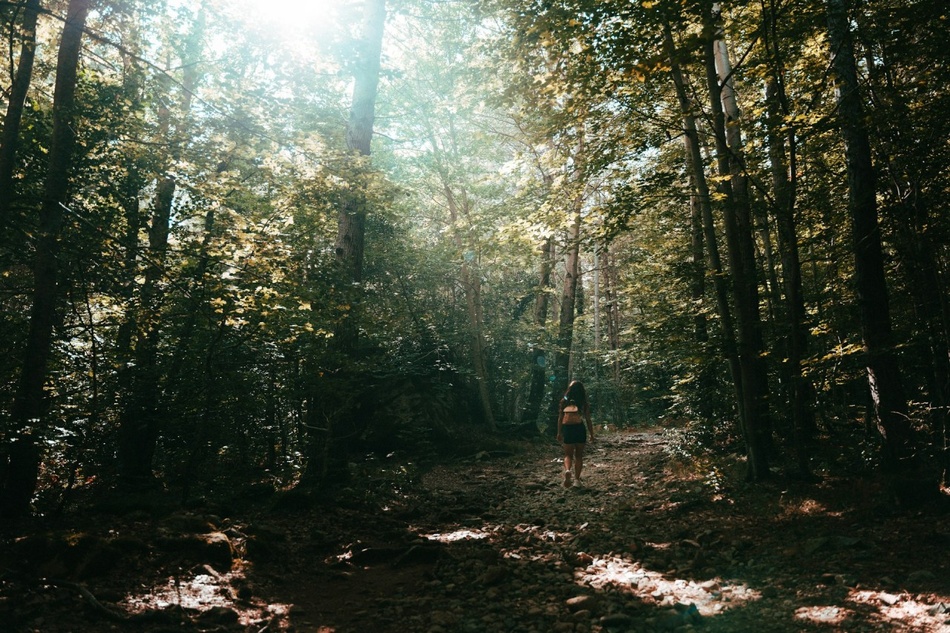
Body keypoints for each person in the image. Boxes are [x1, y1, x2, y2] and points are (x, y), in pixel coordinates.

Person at [556, 380, 594, 487]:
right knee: (579, 456)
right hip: (580, 429)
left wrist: (559, 432)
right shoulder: (583, 402)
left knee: (568, 455)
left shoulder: (564, 401)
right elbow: (588, 419)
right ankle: (577, 480)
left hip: (568, 429)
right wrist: (591, 434)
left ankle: (567, 470)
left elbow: (560, 418)